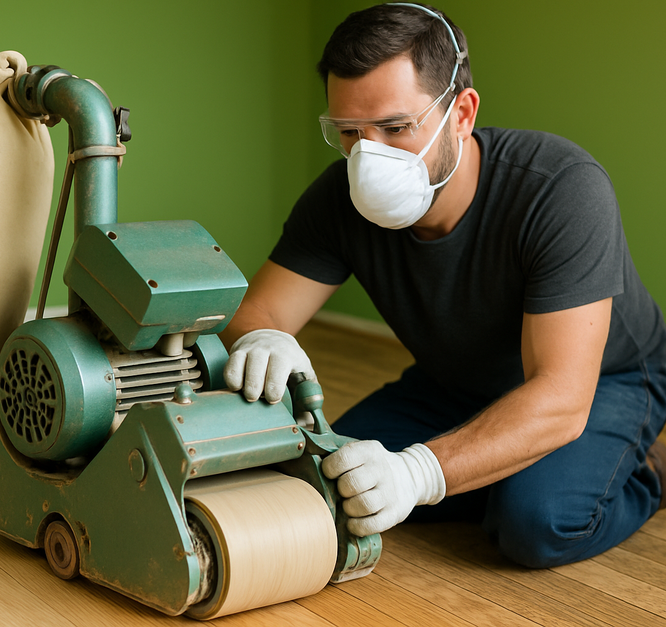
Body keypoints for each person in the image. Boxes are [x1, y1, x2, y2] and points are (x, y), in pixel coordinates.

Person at [218, 2, 666, 568]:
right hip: (454, 383)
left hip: (605, 381)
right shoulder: (339, 201)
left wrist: (418, 472)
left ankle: (648, 473)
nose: (369, 157)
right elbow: (259, 314)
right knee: (325, 481)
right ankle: (493, 467)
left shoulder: (561, 189)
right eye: (350, 133)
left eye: (397, 127)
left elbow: (561, 397)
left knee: (536, 523)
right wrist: (263, 339)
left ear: (461, 112)